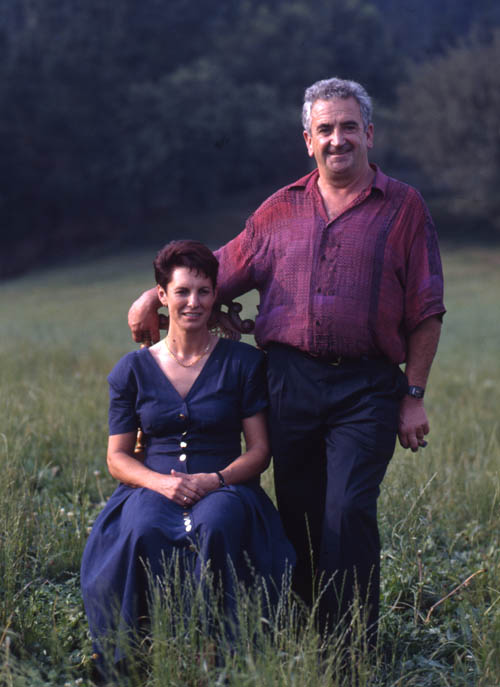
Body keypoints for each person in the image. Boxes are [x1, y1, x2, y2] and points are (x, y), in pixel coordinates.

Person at [127, 78, 445, 643]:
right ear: (308, 140)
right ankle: (303, 632)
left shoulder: (404, 208)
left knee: (347, 511)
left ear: (369, 133)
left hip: (368, 387)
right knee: (298, 512)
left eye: (349, 127)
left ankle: (351, 646)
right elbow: (217, 269)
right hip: (288, 382)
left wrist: (414, 395)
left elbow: (426, 308)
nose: (338, 139)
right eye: (326, 129)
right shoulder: (279, 209)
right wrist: (149, 298)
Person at [81, 240, 295, 679]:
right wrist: (161, 483)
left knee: (218, 523)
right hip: (150, 485)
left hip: (226, 484)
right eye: (182, 291)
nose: (193, 302)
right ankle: (137, 653)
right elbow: (117, 458)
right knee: (143, 527)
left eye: (203, 291)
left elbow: (259, 451)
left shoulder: (244, 363)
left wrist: (215, 479)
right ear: (162, 295)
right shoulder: (131, 371)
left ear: (215, 295)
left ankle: (224, 654)